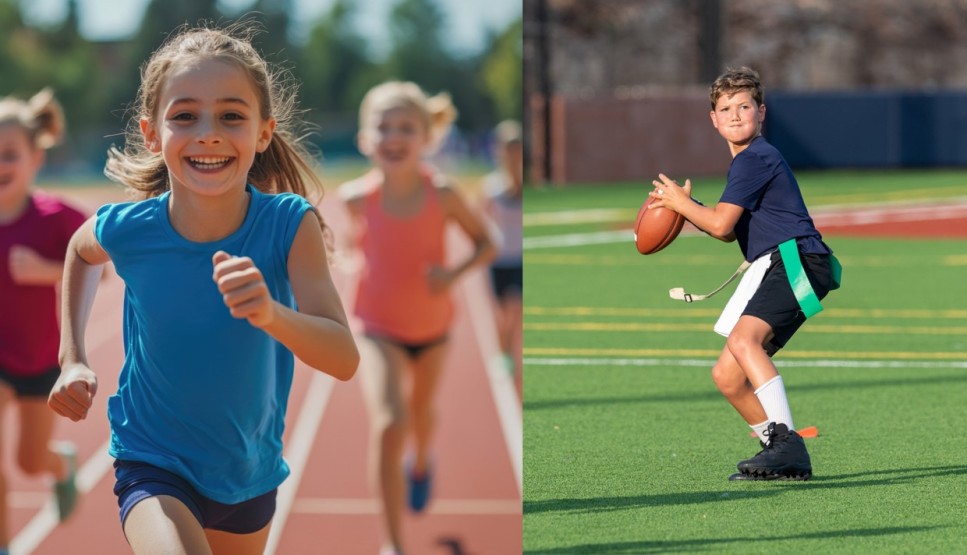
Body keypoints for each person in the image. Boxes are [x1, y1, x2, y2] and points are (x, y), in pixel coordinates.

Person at [47, 23, 360, 554]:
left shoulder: (288, 224)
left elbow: (344, 358)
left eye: (232, 116)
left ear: (263, 133)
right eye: (185, 115)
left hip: (249, 474)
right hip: (153, 463)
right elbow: (81, 251)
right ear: (152, 132)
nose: (208, 133)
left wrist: (270, 314)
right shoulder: (130, 228)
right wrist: (72, 358)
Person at [649, 66, 840, 481]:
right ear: (713, 119)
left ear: (762, 112)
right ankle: (780, 450)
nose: (735, 115)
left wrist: (680, 205)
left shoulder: (756, 156)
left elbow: (719, 226)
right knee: (727, 376)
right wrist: (688, 205)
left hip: (797, 260)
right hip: (784, 262)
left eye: (743, 106)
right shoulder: (750, 162)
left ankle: (787, 445)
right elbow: (726, 227)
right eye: (725, 108)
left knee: (743, 339)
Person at [340, 81, 495, 555]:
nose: (393, 135)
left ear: (426, 137)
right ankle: (392, 543)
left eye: (405, 126)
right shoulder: (355, 199)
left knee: (422, 417)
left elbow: (487, 244)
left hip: (433, 329)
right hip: (377, 326)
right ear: (366, 139)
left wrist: (452, 274)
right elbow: (350, 247)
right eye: (383, 126)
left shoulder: (443, 192)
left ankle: (423, 461)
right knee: (390, 423)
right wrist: (351, 258)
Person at [0, 88, 83, 553]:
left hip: (36, 360)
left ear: (35, 157)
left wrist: (45, 271)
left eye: (9, 154)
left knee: (29, 461)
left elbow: (102, 269)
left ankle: (59, 466)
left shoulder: (55, 217)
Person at [481, 120, 523, 391]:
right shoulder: (490, 186)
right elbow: (485, 217)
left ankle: (509, 350)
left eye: (517, 148)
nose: (512, 154)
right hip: (498, 259)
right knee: (502, 315)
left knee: (515, 307)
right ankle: (504, 352)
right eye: (508, 148)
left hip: (520, 257)